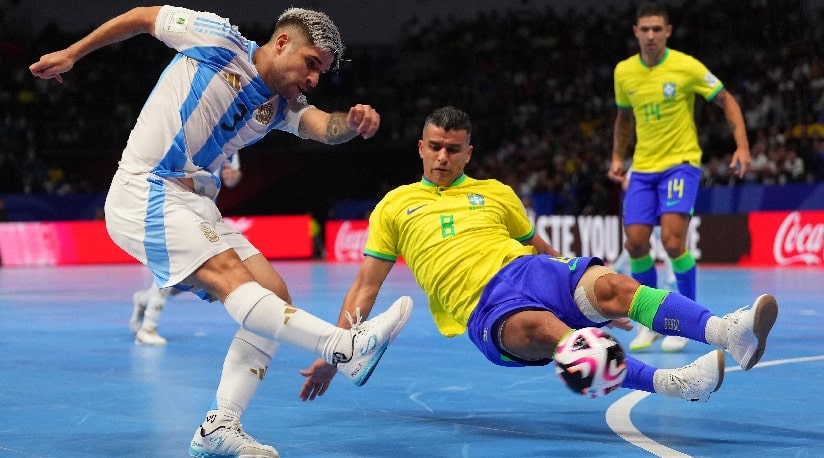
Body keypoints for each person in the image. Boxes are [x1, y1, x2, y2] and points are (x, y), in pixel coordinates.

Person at [30, 6, 413, 458]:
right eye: (312, 64)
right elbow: (142, 16)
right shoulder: (216, 39)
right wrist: (73, 53)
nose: (313, 79)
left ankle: (220, 426)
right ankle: (343, 348)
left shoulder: (279, 105)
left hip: (195, 205)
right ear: (283, 43)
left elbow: (322, 127)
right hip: (147, 189)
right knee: (230, 272)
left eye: (321, 73)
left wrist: (349, 123)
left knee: (274, 292)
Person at [298, 106, 777, 406]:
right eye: (435, 148)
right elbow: (366, 286)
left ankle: (728, 333)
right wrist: (336, 350)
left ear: (469, 153)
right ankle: (674, 383)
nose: (443, 157)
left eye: (454, 149)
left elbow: (541, 249)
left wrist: (584, 293)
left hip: (532, 271)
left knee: (613, 285)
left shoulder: (497, 192)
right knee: (555, 334)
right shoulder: (396, 204)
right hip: (486, 308)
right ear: (421, 148)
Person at [608, 2, 752, 353]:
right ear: (636, 33)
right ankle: (650, 322)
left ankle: (687, 322)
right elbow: (624, 118)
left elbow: (727, 100)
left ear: (668, 31)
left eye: (658, 29)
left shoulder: (686, 67)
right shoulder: (624, 72)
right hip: (642, 168)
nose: (652, 35)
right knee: (636, 244)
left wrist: (742, 147)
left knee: (673, 242)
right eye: (646, 29)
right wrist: (617, 156)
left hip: (680, 163)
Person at [130, 155, 243, 346]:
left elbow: (233, 175)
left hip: (204, 215)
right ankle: (148, 328)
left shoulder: (229, 132)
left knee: (195, 276)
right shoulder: (179, 135)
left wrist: (233, 176)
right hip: (173, 208)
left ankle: (145, 299)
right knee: (174, 266)